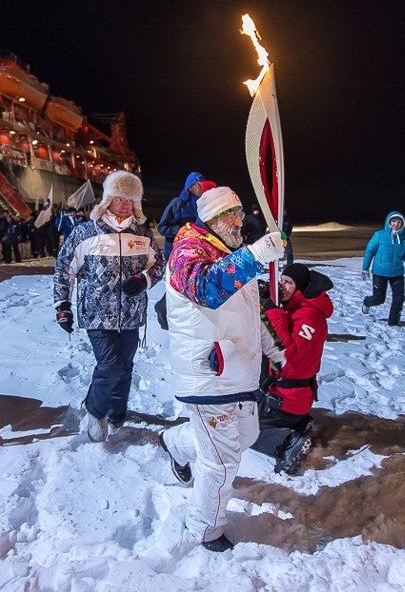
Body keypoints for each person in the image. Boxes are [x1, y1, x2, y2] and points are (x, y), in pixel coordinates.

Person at [158, 182, 286, 552]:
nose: (240, 221)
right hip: (207, 373)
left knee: (244, 438)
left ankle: (174, 443)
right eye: (233, 214)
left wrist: (271, 347)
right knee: (222, 462)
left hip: (238, 370)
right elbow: (204, 289)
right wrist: (257, 255)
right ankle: (204, 528)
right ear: (213, 217)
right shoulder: (188, 251)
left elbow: (246, 313)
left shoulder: (226, 250)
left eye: (240, 213)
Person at [53, 171, 164, 442]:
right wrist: (62, 304)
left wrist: (144, 279)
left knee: (125, 366)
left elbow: (158, 264)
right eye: (119, 198)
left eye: (130, 199)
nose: (125, 205)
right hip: (96, 313)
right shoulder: (86, 232)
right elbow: (64, 268)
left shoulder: (141, 233)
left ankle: (117, 413)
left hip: (131, 313)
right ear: (107, 200)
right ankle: (94, 411)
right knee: (111, 365)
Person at [252, 264, 334, 474]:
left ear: (301, 288)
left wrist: (272, 311)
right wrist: (264, 306)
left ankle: (289, 442)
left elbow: (285, 354)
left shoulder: (310, 316)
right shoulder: (293, 308)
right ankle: (297, 425)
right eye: (282, 281)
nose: (282, 287)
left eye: (288, 283)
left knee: (241, 431)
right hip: (285, 395)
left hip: (286, 399)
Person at [154, 171, 205, 329]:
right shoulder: (177, 203)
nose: (202, 188)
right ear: (191, 187)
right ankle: (163, 310)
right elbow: (162, 227)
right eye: (198, 186)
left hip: (196, 253)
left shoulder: (203, 204)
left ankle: (188, 320)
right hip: (176, 254)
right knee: (177, 287)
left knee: (191, 285)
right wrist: (184, 230)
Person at [360, 211, 405, 325]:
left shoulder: (404, 239)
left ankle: (393, 323)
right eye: (393, 221)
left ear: (402, 224)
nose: (396, 224)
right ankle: (367, 302)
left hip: (397, 273)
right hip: (380, 272)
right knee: (379, 299)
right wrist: (365, 268)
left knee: (399, 299)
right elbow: (369, 251)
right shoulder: (379, 235)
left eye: (399, 222)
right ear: (389, 222)